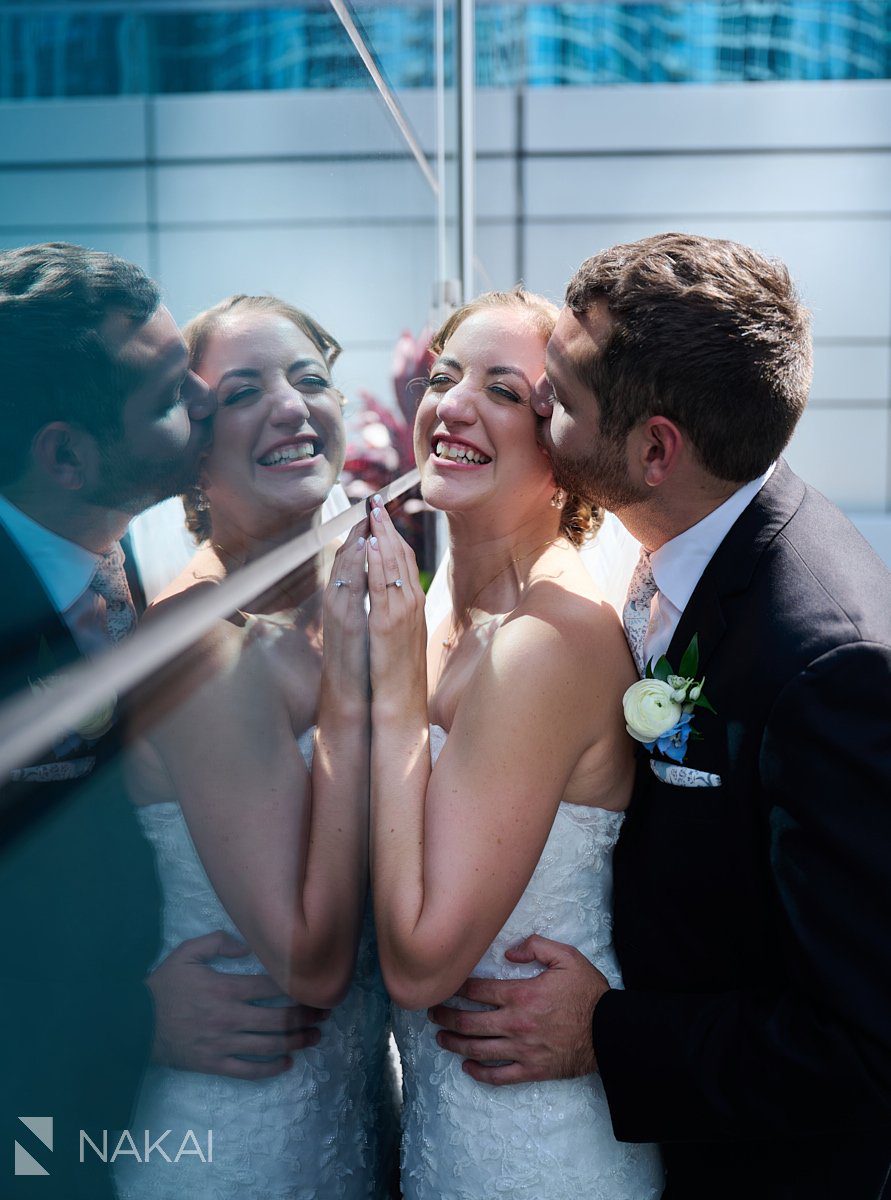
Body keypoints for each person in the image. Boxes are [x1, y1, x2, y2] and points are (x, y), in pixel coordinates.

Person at [431, 234, 891, 1199]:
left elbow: (861, 1044)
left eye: (556, 395)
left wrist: (608, 1034)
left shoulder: (826, 663)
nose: (540, 407)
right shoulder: (669, 538)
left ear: (653, 449)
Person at [0, 245, 320, 1198]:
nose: (207, 401)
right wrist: (131, 1019)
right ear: (65, 452)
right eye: (174, 396)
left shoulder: (119, 561)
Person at [366, 288, 664, 1199]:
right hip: (442, 1128)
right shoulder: (425, 614)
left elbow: (419, 962)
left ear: (564, 443)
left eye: (503, 390)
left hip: (536, 1147)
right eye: (444, 376)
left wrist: (375, 694)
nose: (451, 405)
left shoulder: (544, 640)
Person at [114, 294, 396, 1200]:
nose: (289, 404)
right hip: (238, 1135)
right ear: (192, 452)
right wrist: (355, 701)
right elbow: (310, 965)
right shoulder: (199, 639)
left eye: (308, 378)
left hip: (358, 1105)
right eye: (241, 392)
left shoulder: (364, 592)